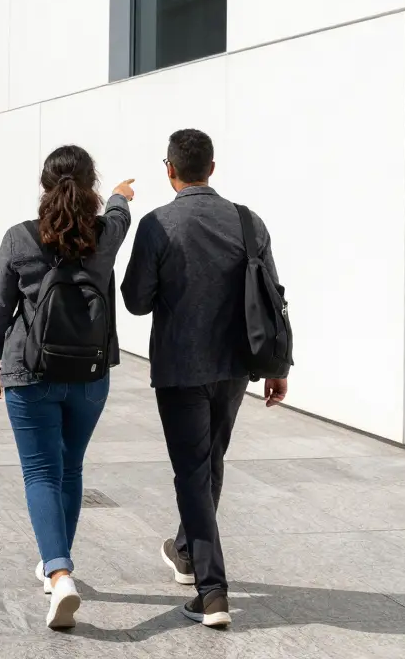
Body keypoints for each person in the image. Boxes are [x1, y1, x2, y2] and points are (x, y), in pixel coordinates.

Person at [121, 129, 289, 628]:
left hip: (180, 368)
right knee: (210, 461)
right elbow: (273, 297)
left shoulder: (158, 224)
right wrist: (277, 369)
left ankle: (212, 592)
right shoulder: (247, 221)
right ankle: (188, 553)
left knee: (194, 471)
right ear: (211, 168)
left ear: (168, 169)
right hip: (236, 366)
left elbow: (134, 300)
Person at [0, 145, 135, 630]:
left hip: (29, 372)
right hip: (90, 374)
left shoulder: (20, 238)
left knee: (40, 474)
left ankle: (59, 571)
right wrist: (119, 195)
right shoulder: (105, 236)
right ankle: (56, 565)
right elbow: (119, 212)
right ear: (89, 186)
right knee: (70, 469)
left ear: (44, 187)